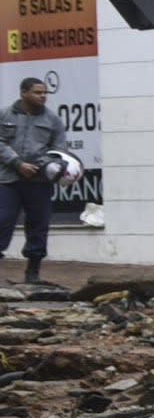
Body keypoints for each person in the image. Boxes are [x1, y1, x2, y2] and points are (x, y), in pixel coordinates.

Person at [0, 77, 63, 288]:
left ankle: (33, 273)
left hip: (39, 182)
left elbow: (59, 150)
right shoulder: (5, 115)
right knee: (2, 220)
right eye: (37, 92)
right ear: (23, 93)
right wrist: (17, 163)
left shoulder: (53, 120)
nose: (43, 96)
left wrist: (39, 165)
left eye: (45, 93)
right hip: (8, 179)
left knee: (38, 225)